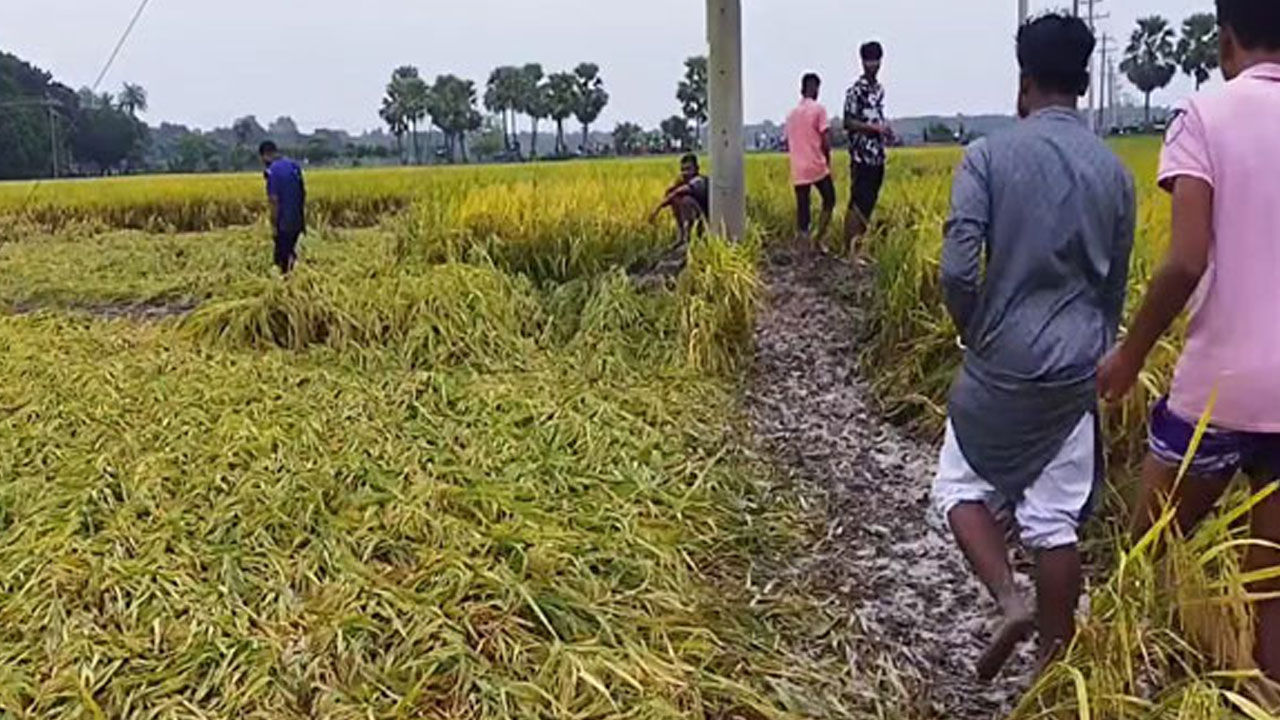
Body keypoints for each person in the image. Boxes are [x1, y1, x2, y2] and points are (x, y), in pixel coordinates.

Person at [932, 14, 1135, 681]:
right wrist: (1097, 347)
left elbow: (958, 269)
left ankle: (1007, 596)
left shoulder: (987, 157)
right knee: (1055, 522)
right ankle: (1054, 669)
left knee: (958, 487)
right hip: (1075, 367)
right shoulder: (1115, 172)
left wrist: (975, 328)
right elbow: (1114, 284)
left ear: (1024, 84)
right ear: (1083, 83)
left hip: (1001, 358)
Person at [1097, 0, 1280, 684]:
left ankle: (1124, 688)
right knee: (1271, 597)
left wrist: (1130, 355)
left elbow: (1184, 260)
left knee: (1142, 562)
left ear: (1225, 39)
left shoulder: (1202, 115)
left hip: (1218, 393)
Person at [843, 41, 894, 256]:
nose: (873, 65)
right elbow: (848, 122)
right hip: (861, 155)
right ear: (862, 62)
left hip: (877, 155)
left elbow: (876, 117)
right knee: (858, 201)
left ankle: (859, 245)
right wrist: (873, 128)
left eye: (876, 60)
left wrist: (884, 131)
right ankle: (850, 250)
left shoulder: (879, 90)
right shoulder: (856, 91)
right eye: (869, 60)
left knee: (869, 202)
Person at [784, 73, 836, 249]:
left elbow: (788, 140)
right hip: (816, 164)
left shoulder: (791, 114)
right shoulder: (819, 110)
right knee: (829, 199)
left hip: (798, 167)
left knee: (803, 209)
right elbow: (825, 140)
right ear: (815, 89)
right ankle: (819, 239)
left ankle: (803, 246)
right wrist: (828, 161)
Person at [260, 141, 306, 275]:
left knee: (281, 260)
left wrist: (274, 226)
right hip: (297, 220)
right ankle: (294, 278)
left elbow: (274, 201)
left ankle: (286, 282)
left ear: (265, 155)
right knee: (290, 252)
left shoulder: (272, 171)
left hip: (283, 223)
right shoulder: (294, 166)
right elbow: (303, 193)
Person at [649, 153, 709, 245]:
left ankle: (691, 238)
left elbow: (680, 191)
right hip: (693, 220)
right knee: (675, 199)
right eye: (683, 170)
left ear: (696, 169)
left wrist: (657, 209)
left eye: (688, 169)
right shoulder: (683, 182)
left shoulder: (699, 181)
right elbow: (670, 194)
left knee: (686, 200)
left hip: (704, 221)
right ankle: (682, 235)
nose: (685, 173)